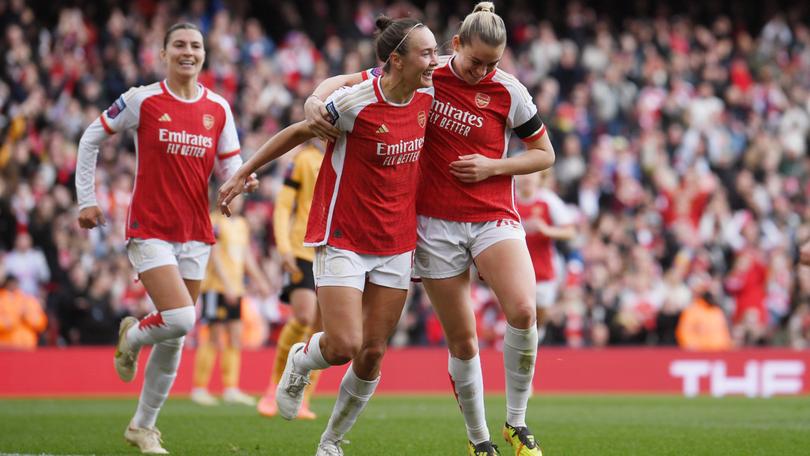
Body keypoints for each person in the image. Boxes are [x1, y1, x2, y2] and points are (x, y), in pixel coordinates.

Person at [305, 3, 555, 455]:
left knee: (522, 309)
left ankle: (516, 423)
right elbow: (346, 84)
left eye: (493, 63)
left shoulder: (509, 91)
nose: (483, 71)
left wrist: (494, 166)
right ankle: (479, 441)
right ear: (455, 45)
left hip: (492, 215)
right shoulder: (425, 72)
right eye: (476, 60)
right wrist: (312, 99)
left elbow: (544, 154)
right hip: (435, 225)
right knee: (463, 340)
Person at [218, 16, 438, 456]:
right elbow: (300, 133)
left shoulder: (433, 89)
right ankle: (300, 363)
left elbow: (471, 60)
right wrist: (244, 171)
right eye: (427, 53)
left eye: (436, 51)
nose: (436, 61)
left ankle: (331, 442)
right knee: (343, 344)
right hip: (344, 236)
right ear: (396, 61)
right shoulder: (356, 102)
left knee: (372, 354)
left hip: (396, 242)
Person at [75, 23, 257, 454]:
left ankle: (143, 426)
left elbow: (230, 168)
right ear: (163, 53)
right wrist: (87, 199)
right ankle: (132, 336)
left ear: (204, 55)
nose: (188, 52)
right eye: (179, 45)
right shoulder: (143, 99)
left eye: (195, 46)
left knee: (176, 335)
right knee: (180, 319)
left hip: (195, 231)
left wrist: (239, 184)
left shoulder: (219, 108)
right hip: (150, 228)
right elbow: (90, 137)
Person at [256, 141, 324, 419]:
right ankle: (273, 388)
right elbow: (284, 205)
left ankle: (304, 396)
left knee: (322, 331)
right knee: (304, 317)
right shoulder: (304, 159)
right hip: (302, 248)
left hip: (337, 251)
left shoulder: (348, 153)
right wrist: (283, 247)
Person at [191, 196, 271, 406]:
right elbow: (213, 253)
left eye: (239, 197)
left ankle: (231, 387)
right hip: (216, 287)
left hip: (236, 288)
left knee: (235, 337)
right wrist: (226, 284)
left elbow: (246, 255)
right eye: (232, 197)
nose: (237, 201)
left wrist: (260, 279)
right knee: (214, 337)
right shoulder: (214, 220)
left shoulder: (242, 224)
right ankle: (199, 387)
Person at [515, 171, 576, 338]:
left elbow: (570, 232)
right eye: (523, 173)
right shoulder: (508, 199)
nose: (527, 177)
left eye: (532, 173)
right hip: (514, 269)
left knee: (540, 314)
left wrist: (546, 230)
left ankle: (537, 337)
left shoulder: (548, 200)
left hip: (543, 269)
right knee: (519, 312)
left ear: (539, 177)